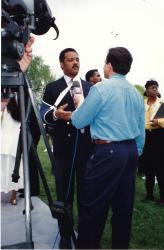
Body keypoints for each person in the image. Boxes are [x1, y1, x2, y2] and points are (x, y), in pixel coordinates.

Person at [63, 47, 145, 249]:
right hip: (130, 152)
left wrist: (73, 112)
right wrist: (134, 152)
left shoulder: (100, 89)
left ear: (109, 66)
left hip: (107, 153)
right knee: (123, 210)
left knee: (93, 209)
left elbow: (80, 121)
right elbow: (141, 132)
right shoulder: (135, 93)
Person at [40, 48, 93, 249]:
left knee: (86, 196)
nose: (75, 63)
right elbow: (43, 114)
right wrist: (55, 115)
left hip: (87, 151)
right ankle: (65, 234)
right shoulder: (53, 87)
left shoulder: (89, 88)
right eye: (70, 60)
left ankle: (86, 236)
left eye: (77, 59)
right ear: (62, 64)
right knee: (64, 196)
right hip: (63, 150)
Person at [1, 37, 37, 205]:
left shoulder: (21, 91)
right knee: (3, 163)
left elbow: (25, 114)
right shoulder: (3, 89)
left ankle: (15, 193)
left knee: (17, 164)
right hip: (4, 133)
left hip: (17, 132)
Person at [139, 80, 164, 206]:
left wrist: (159, 122)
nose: (154, 89)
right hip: (146, 137)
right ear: (146, 90)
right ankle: (149, 195)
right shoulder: (142, 104)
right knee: (148, 167)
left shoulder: (163, 103)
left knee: (162, 168)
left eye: (156, 87)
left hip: (159, 137)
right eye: (151, 87)